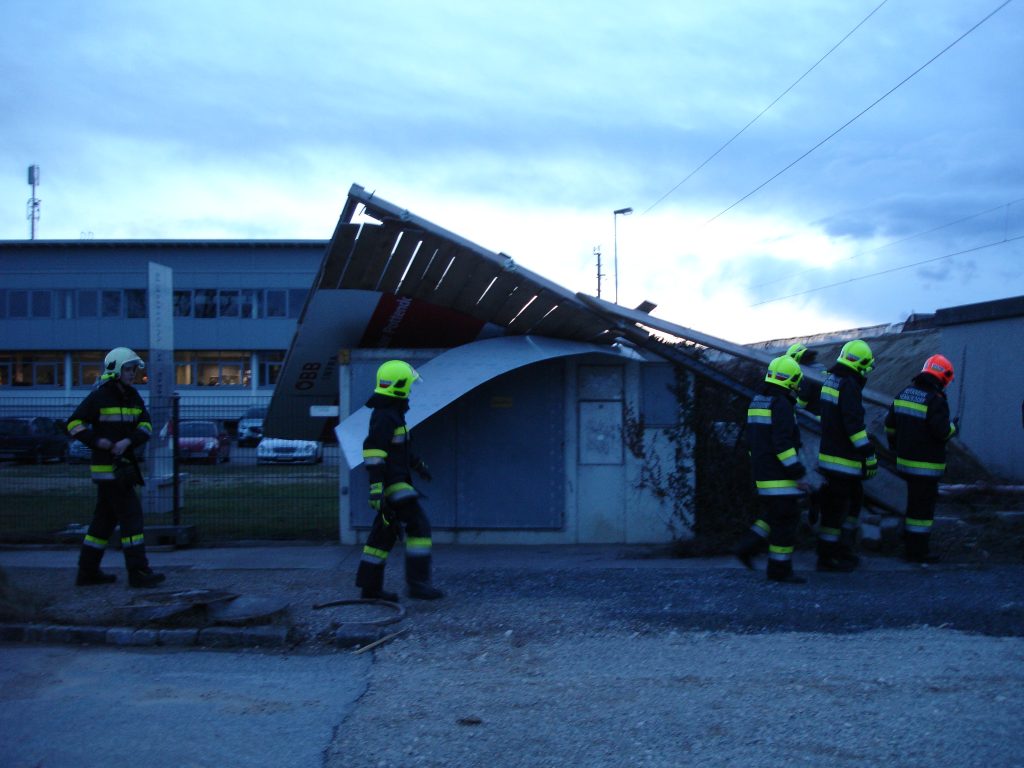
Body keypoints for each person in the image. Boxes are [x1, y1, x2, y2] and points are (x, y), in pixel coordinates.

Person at [66, 347, 165, 588]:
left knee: (103, 522)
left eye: (134, 369)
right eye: (128, 369)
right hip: (109, 471)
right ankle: (138, 571)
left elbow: (146, 426)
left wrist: (128, 441)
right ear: (116, 370)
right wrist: (97, 441)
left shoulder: (132, 396)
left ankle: (87, 572)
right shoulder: (99, 397)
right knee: (132, 517)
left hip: (123, 469)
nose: (132, 374)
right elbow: (73, 424)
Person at [355, 360, 443, 601]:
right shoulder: (386, 416)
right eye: (409, 385)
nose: (411, 390)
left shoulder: (392, 414)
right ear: (400, 386)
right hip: (393, 484)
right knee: (419, 526)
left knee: (383, 534)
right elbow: (374, 452)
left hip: (394, 481)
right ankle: (418, 584)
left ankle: (370, 588)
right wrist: (376, 488)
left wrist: (418, 465)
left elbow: (399, 450)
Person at [734, 356, 808, 583]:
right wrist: (797, 471)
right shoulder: (781, 404)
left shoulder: (758, 401)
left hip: (762, 472)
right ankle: (779, 569)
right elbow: (782, 444)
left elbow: (751, 440)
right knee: (786, 521)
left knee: (774, 515)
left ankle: (747, 546)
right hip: (780, 475)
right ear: (792, 380)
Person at [884, 354, 958, 564]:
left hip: (904, 463)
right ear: (943, 377)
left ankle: (908, 544)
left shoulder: (904, 393)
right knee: (922, 513)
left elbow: (889, 425)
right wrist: (954, 427)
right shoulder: (936, 400)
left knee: (910, 506)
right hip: (926, 468)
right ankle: (918, 552)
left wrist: (894, 447)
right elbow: (942, 432)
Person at [815, 339, 878, 572]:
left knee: (846, 505)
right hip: (844, 461)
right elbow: (854, 426)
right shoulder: (849, 384)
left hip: (831, 456)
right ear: (860, 364)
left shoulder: (832, 380)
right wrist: (868, 453)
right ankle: (829, 558)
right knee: (836, 511)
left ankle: (841, 550)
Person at [786, 342, 822, 416]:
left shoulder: (805, 372)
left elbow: (803, 398)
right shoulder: (819, 366)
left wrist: (792, 409)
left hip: (815, 415)